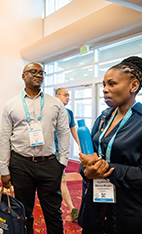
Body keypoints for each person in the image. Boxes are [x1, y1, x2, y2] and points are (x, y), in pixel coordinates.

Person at [78, 56, 142, 234]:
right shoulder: (104, 117)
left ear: (133, 86)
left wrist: (104, 169)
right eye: (104, 84)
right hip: (97, 207)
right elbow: (89, 160)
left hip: (132, 211)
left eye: (112, 84)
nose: (105, 90)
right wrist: (86, 171)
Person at [0, 62, 70, 234]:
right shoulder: (11, 104)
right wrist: (3, 169)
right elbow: (4, 137)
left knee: (53, 212)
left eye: (41, 72)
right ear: (23, 76)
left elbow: (64, 133)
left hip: (49, 164)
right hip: (21, 164)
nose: (38, 75)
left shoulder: (55, 103)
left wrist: (62, 162)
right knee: (24, 212)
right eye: (33, 71)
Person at [55, 87, 80, 221]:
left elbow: (73, 130)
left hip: (62, 152)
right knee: (57, 180)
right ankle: (70, 207)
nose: (68, 97)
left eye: (69, 95)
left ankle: (71, 209)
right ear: (57, 96)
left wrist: (80, 145)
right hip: (49, 150)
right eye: (65, 95)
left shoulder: (69, 112)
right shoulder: (51, 110)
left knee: (61, 180)